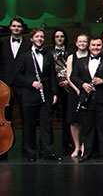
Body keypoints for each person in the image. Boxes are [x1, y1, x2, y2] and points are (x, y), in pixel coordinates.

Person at [71, 36, 103, 162]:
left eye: (98, 45)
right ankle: (86, 153)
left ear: (102, 47)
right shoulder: (80, 61)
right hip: (87, 99)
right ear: (89, 46)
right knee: (87, 128)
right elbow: (73, 76)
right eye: (93, 45)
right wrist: (82, 84)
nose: (96, 48)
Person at [16, 28, 61, 162]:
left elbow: (52, 76)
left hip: (45, 95)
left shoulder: (48, 55)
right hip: (30, 95)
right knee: (29, 125)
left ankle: (48, 151)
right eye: (37, 37)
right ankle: (30, 152)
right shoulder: (24, 56)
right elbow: (17, 75)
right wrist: (31, 83)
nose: (40, 39)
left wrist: (54, 93)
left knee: (46, 125)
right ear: (31, 39)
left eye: (42, 37)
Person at [0, 18, 31, 161]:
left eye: (19, 26)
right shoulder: (3, 44)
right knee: (5, 118)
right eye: (14, 26)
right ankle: (3, 149)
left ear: (22, 28)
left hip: (22, 85)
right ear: (10, 28)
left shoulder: (28, 44)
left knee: (26, 118)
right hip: (5, 86)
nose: (16, 28)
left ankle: (27, 150)